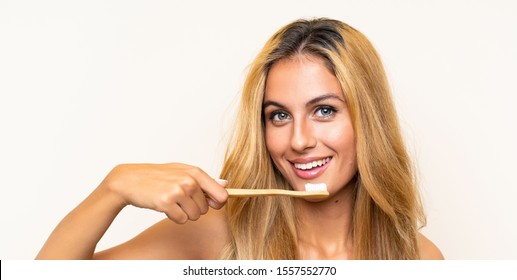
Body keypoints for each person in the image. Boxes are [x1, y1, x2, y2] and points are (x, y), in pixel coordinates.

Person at [36, 17, 443, 260]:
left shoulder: (419, 259)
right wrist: (114, 188)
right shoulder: (215, 232)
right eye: (279, 116)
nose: (299, 140)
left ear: (368, 119)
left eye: (324, 110)